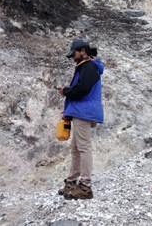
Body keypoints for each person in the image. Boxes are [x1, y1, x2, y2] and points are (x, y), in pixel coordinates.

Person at [56, 39, 104, 200]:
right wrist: (69, 111)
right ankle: (72, 181)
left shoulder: (88, 67)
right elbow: (81, 90)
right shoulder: (85, 66)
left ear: (82, 51)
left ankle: (85, 186)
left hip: (84, 112)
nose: (72, 57)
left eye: (74, 53)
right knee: (76, 149)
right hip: (80, 111)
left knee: (83, 147)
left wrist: (66, 91)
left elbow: (82, 90)